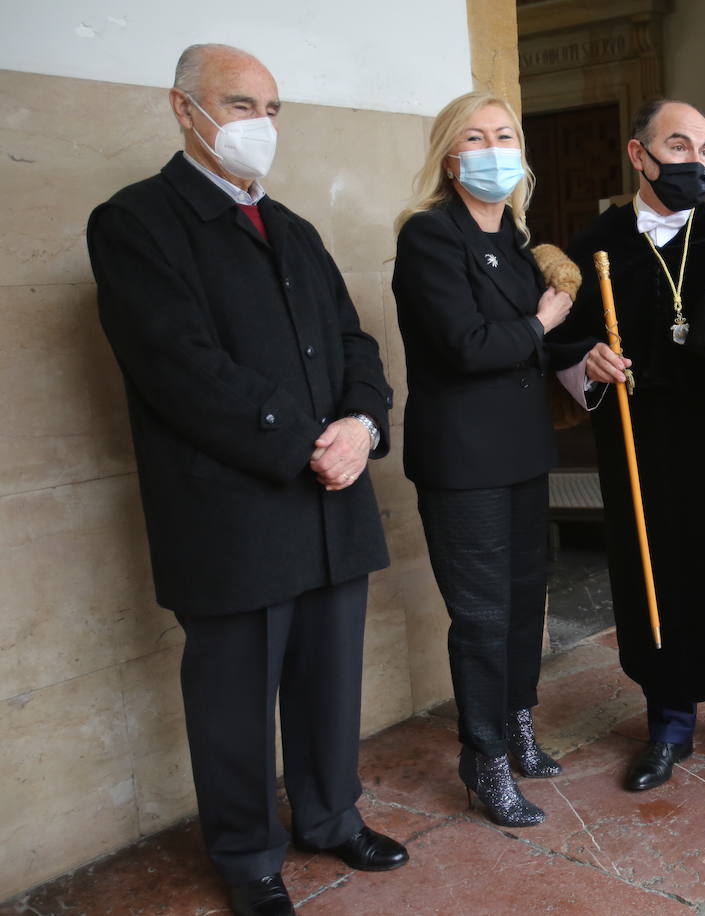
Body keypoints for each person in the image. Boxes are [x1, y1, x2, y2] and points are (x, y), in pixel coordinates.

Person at [86, 44, 407, 916]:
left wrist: (363, 425)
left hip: (330, 499)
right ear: (184, 109)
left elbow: (355, 347)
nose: (260, 126)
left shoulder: (294, 228)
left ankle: (331, 817)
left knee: (330, 681)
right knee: (233, 700)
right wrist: (308, 440)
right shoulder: (136, 224)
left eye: (272, 108)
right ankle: (245, 855)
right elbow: (179, 367)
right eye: (239, 105)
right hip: (232, 513)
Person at [547, 98, 705, 795]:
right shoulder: (598, 241)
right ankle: (669, 729)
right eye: (680, 146)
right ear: (639, 155)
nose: (697, 162)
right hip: (637, 437)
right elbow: (563, 336)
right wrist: (586, 359)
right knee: (651, 577)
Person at [392, 92, 573, 827]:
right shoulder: (430, 237)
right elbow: (469, 346)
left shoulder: (521, 242)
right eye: (477, 136)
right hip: (463, 460)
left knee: (527, 599)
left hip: (525, 451)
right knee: (481, 614)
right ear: (449, 155)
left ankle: (520, 723)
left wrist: (575, 353)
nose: (494, 148)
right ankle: (485, 757)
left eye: (504, 135)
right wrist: (542, 320)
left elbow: (532, 346)